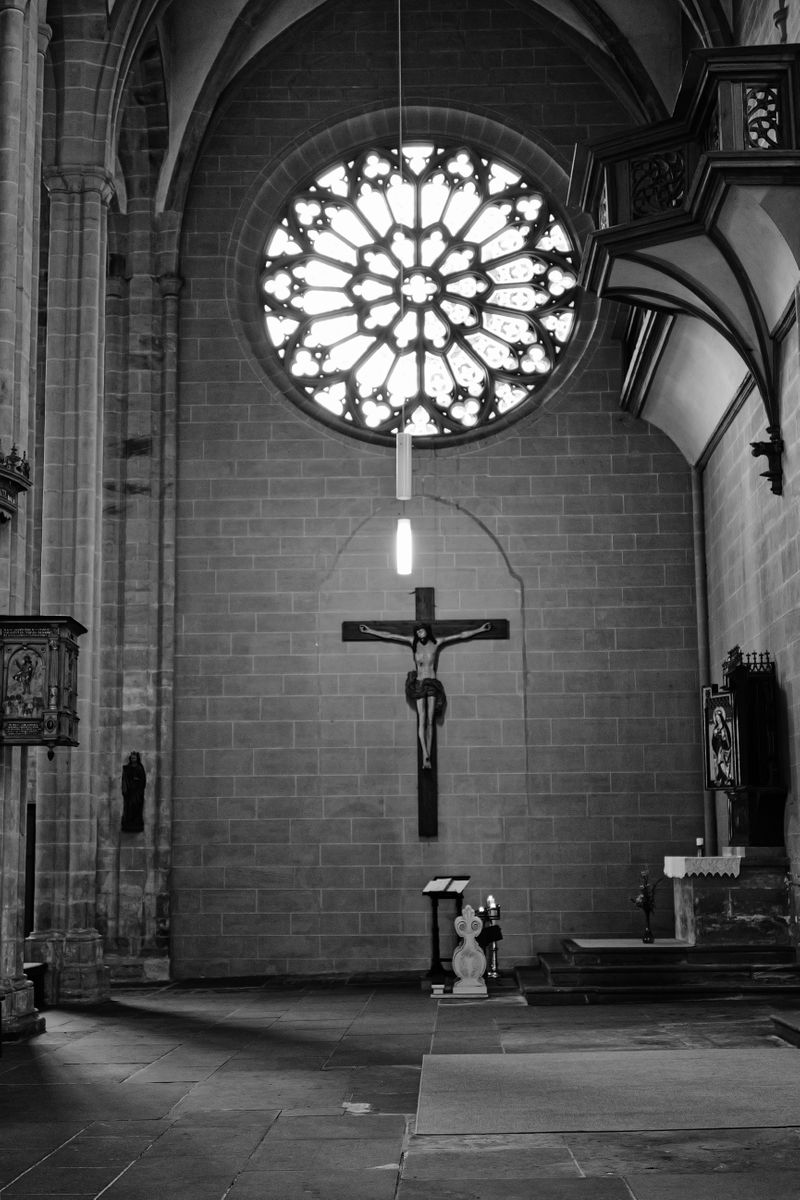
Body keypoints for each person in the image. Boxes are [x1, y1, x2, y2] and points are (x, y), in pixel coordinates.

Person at [358, 620, 492, 768]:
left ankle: (428, 753)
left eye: (421, 631)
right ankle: (425, 755)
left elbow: (460, 635)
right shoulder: (412, 642)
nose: (419, 633)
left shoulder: (436, 643)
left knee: (430, 720)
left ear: (427, 631)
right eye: (417, 632)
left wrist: (480, 629)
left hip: (432, 683)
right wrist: (369, 631)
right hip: (420, 683)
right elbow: (390, 636)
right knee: (421, 719)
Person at [121, 751, 146, 832]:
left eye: (134, 757)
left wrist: (137, 781)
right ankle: (128, 825)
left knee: (136, 807)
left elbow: (143, 781)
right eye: (132, 757)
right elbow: (125, 779)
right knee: (129, 808)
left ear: (137, 758)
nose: (133, 759)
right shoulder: (127, 768)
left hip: (137, 793)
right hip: (129, 793)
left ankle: (137, 824)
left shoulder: (140, 768)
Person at [710, 706, 734, 786]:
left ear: (721, 717)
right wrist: (715, 734)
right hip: (718, 748)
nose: (717, 719)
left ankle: (726, 778)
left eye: (718, 718)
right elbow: (713, 740)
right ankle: (720, 779)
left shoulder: (724, 727)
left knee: (722, 762)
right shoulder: (715, 727)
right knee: (718, 763)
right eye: (716, 718)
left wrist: (724, 736)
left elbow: (728, 739)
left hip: (723, 748)